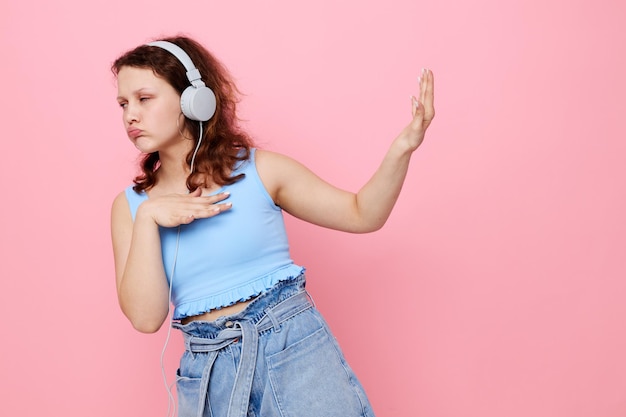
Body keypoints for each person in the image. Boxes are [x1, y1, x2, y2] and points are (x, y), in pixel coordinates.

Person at [110, 35, 434, 417]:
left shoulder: (262, 170)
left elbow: (362, 213)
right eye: (123, 103)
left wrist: (402, 149)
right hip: (207, 374)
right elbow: (146, 319)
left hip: (291, 350)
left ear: (192, 99)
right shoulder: (130, 207)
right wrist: (149, 218)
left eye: (144, 99)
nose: (130, 114)